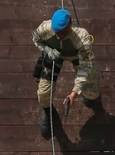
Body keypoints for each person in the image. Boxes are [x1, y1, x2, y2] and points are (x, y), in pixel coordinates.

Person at [32, 8, 100, 138]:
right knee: (43, 92)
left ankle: (90, 96)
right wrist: (47, 50)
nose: (59, 35)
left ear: (70, 23)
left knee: (91, 83)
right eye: (57, 32)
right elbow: (36, 39)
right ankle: (48, 112)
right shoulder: (45, 28)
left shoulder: (81, 36)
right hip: (54, 55)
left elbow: (85, 66)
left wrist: (74, 94)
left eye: (63, 32)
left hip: (76, 56)